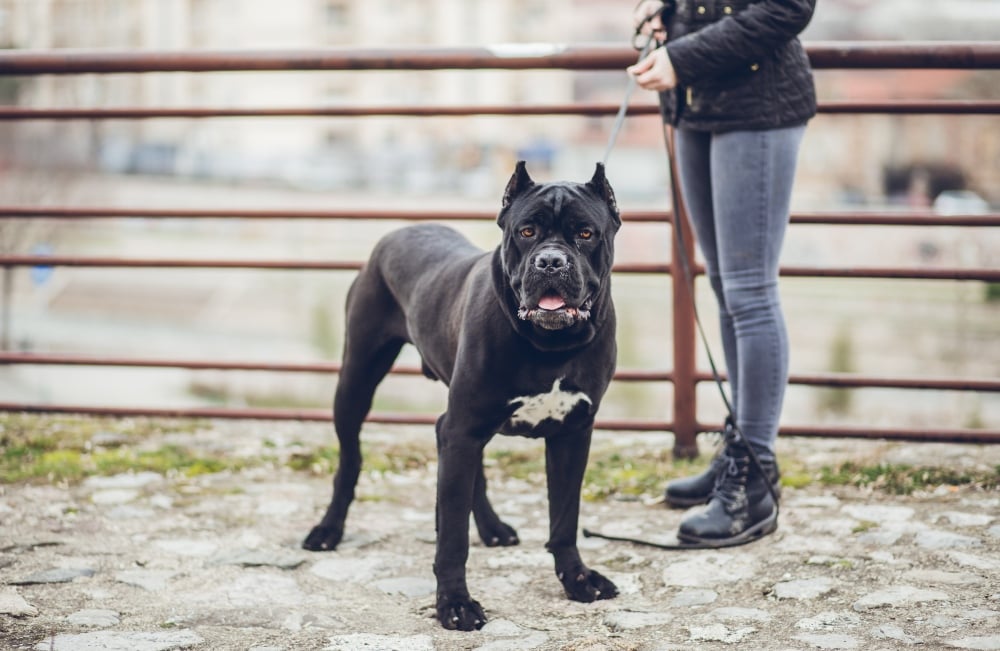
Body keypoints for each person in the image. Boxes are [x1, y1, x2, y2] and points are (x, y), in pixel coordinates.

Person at [628, 0, 817, 546]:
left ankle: (753, 477)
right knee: (724, 287)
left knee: (750, 291)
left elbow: (787, 8)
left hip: (757, 107)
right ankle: (743, 447)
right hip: (696, 104)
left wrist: (682, 55)